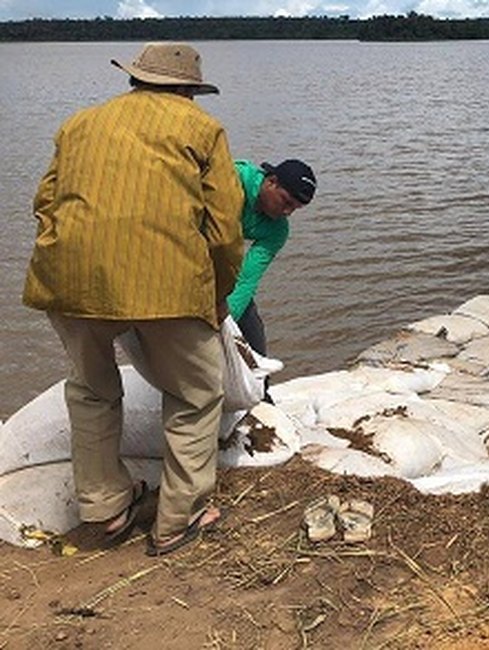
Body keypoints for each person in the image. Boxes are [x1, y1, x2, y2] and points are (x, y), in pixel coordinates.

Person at [22, 43, 243, 556]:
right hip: (165, 283)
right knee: (193, 395)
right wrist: (218, 292)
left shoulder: (79, 123)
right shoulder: (201, 128)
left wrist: (67, 251)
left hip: (69, 280)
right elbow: (225, 228)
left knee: (92, 391)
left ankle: (106, 507)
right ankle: (178, 520)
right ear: (188, 90)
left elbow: (44, 204)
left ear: (137, 80)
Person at [228, 159, 316, 357]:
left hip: (222, 265)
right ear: (271, 182)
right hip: (188, 248)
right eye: (285, 202)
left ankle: (261, 385)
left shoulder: (277, 230)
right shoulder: (232, 179)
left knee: (253, 338)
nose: (287, 212)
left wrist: (225, 322)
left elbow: (246, 279)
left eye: (294, 208)